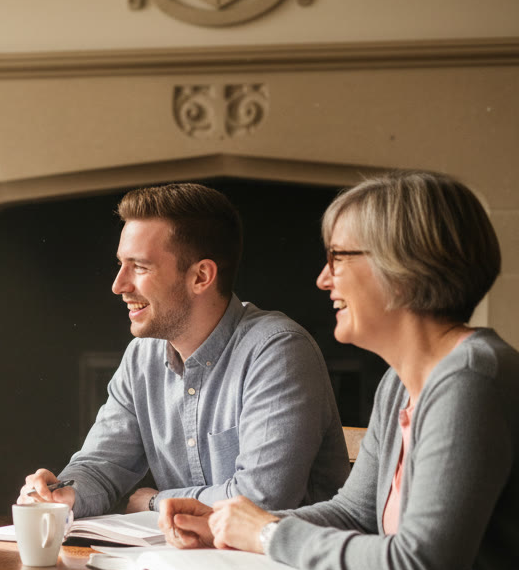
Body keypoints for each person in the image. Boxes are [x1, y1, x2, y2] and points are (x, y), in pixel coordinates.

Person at [160, 172, 518, 570]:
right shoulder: (402, 380)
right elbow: (355, 511)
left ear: (402, 263)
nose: (324, 280)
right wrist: (227, 528)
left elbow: (418, 569)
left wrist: (268, 536)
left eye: (339, 258)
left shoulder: (472, 379)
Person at [20, 183, 349, 518]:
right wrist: (65, 492)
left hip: (278, 566)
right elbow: (101, 465)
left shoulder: (277, 352)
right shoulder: (141, 358)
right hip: (185, 562)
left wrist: (154, 502)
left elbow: (261, 501)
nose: (119, 285)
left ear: (201, 276)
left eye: (140, 267)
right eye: (121, 264)